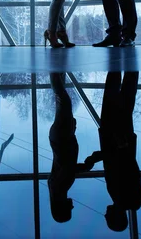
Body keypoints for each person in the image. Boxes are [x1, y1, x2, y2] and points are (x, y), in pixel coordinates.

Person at [84, 71, 141, 232]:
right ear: (116, 217)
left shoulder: (132, 200)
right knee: (113, 94)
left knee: (127, 98)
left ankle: (130, 63)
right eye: (108, 217)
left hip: (123, 140)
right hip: (115, 138)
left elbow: (131, 170)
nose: (105, 213)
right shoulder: (120, 196)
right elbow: (119, 165)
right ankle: (116, 61)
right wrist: (97, 157)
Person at [48, 72, 91, 222]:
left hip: (62, 138)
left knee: (64, 100)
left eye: (69, 210)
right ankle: (59, 68)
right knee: (62, 101)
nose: (72, 206)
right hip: (60, 138)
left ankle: (53, 69)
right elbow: (68, 167)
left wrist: (85, 167)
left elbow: (68, 167)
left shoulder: (59, 189)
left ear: (62, 207)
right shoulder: (57, 189)